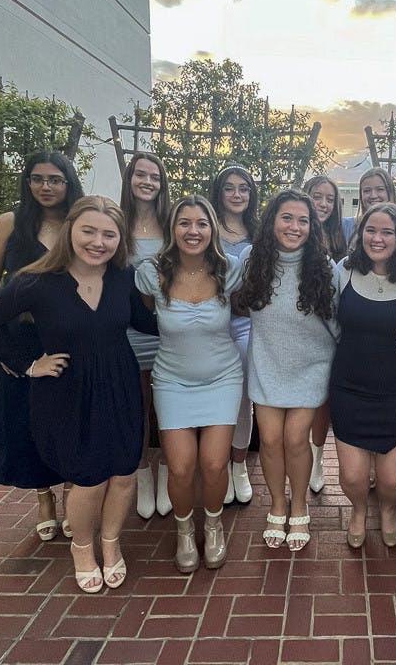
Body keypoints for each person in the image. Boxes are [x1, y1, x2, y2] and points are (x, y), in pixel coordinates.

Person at [0, 196, 157, 593]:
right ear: (71, 230)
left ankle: (111, 544)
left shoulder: (123, 277)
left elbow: (148, 322)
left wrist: (200, 310)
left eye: (109, 234)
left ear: (120, 240)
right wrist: (28, 363)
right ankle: (82, 547)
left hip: (120, 384)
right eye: (89, 231)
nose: (99, 242)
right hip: (66, 391)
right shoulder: (37, 281)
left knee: (124, 474)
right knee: (88, 478)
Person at [0, 151, 83, 542]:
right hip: (18, 340)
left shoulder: (78, 224)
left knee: (70, 418)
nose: (46, 187)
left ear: (68, 183)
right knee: (24, 421)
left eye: (55, 179)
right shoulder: (8, 224)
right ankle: (43, 498)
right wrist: (5, 349)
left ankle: (73, 492)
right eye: (38, 179)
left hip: (66, 337)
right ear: (28, 182)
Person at [135, 195, 242, 572]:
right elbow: (147, 313)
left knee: (214, 465)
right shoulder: (152, 274)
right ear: (173, 229)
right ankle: (184, 532)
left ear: (212, 229)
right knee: (180, 467)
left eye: (201, 223)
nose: (193, 231)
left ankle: (213, 526)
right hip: (173, 381)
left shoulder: (230, 271)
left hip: (223, 377)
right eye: (185, 223)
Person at [233, 189, 338, 551]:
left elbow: (337, 323)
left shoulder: (324, 267)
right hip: (267, 362)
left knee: (296, 438)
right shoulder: (251, 261)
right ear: (271, 221)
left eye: (303, 221)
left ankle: (300, 505)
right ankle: (277, 504)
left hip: (311, 365)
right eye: (287, 218)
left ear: (313, 226)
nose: (295, 227)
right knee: (271, 439)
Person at [331, 203, 396, 548]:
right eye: (371, 230)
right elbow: (329, 324)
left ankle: (388, 509)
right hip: (349, 387)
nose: (378, 238)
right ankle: (358, 510)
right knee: (353, 476)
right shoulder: (343, 270)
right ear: (360, 235)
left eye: (387, 232)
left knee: (391, 479)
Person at [119, 152, 172, 520]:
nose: (148, 182)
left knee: (168, 411)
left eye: (155, 176)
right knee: (135, 411)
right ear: (130, 178)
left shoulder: (171, 225)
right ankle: (143, 478)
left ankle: (167, 476)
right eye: (141, 174)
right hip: (127, 332)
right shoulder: (116, 223)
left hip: (168, 332)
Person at [209, 164, 259, 505]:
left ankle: (238, 466)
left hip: (246, 325)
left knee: (244, 398)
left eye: (244, 188)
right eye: (230, 188)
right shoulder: (206, 228)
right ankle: (218, 466)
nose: (237, 194)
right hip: (209, 326)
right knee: (215, 399)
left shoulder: (260, 232)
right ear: (219, 192)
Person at [303, 175, 348, 493]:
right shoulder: (295, 233)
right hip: (300, 332)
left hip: (334, 330)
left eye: (329, 199)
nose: (323, 203)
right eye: (317, 196)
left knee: (323, 402)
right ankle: (302, 458)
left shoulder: (341, 238)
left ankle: (317, 460)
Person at [341, 167, 396, 243]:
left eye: (380, 189)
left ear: (390, 192)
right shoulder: (345, 226)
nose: (373, 195)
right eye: (367, 191)